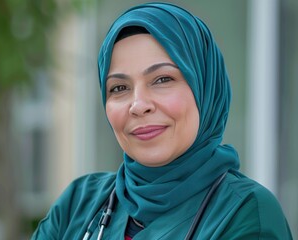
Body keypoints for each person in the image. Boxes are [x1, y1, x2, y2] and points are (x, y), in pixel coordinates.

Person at [32, 2, 292, 239]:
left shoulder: (244, 212)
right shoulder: (79, 204)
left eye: (162, 80)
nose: (139, 105)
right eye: (119, 88)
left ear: (205, 90)